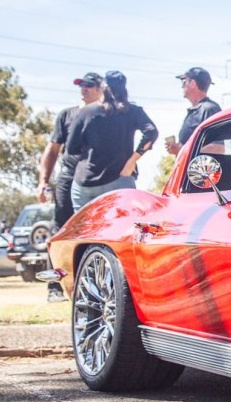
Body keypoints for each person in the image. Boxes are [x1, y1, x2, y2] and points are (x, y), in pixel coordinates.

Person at [36, 71, 105, 302]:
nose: (84, 89)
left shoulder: (110, 114)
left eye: (89, 85)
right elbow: (53, 149)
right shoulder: (67, 115)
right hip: (68, 177)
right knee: (61, 230)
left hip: (99, 179)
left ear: (101, 88)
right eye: (81, 85)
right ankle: (56, 288)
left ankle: (94, 287)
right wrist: (43, 181)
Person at [66, 70, 158, 211]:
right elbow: (151, 132)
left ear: (103, 86)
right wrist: (132, 160)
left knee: (84, 231)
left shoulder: (86, 112)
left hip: (86, 182)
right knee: (122, 229)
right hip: (120, 179)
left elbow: (71, 148)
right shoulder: (133, 111)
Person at [165, 67, 221, 155]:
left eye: (184, 82)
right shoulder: (197, 110)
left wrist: (182, 150)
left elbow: (218, 148)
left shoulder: (209, 109)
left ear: (193, 84)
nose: (182, 87)